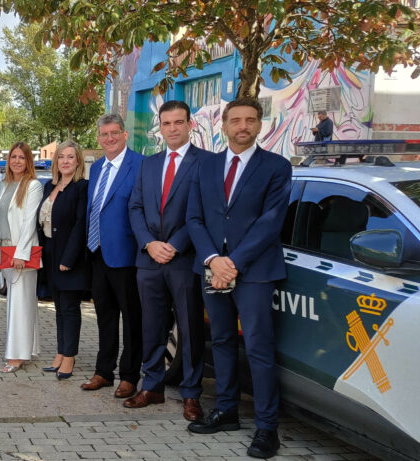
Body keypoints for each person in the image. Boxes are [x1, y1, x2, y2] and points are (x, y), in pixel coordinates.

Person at [186, 98, 292, 459]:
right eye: (235, 120)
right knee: (222, 341)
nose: (242, 126)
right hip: (213, 269)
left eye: (250, 120)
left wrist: (233, 263)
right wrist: (214, 260)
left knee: (259, 349)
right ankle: (227, 411)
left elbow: (270, 222)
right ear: (224, 126)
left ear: (260, 125)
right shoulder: (207, 166)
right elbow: (194, 219)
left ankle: (267, 429)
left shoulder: (276, 167)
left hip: (256, 272)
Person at [126, 101, 209, 419]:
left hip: (183, 260)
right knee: (151, 327)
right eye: (166, 123)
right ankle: (153, 387)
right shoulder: (149, 164)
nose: (172, 128)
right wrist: (149, 243)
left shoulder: (206, 163)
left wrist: (174, 245)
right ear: (159, 127)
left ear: (190, 125)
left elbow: (204, 212)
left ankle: (191, 394)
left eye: (178, 122)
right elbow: (135, 208)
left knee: (189, 328)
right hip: (148, 260)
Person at [81, 114, 144, 398]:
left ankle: (129, 375)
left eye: (115, 133)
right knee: (105, 317)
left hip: (127, 256)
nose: (110, 139)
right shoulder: (96, 169)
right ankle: (103, 371)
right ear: (98, 138)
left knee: (132, 319)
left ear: (125, 134)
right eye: (104, 134)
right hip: (98, 254)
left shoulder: (140, 165)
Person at [37, 140, 90, 380]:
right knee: (58, 308)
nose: (65, 161)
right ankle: (60, 353)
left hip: (69, 257)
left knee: (69, 309)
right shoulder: (50, 186)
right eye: (61, 157)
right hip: (50, 253)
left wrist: (69, 258)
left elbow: (81, 224)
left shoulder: (81, 187)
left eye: (70, 157)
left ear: (78, 161)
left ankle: (69, 357)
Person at [0, 142, 44, 373]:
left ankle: (16, 356)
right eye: (13, 156)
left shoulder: (33, 186)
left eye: (21, 158)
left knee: (20, 304)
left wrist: (20, 254)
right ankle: (27, 349)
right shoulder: (4, 184)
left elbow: (29, 223)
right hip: (5, 250)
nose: (16, 161)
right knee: (20, 304)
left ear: (28, 162)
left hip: (20, 254)